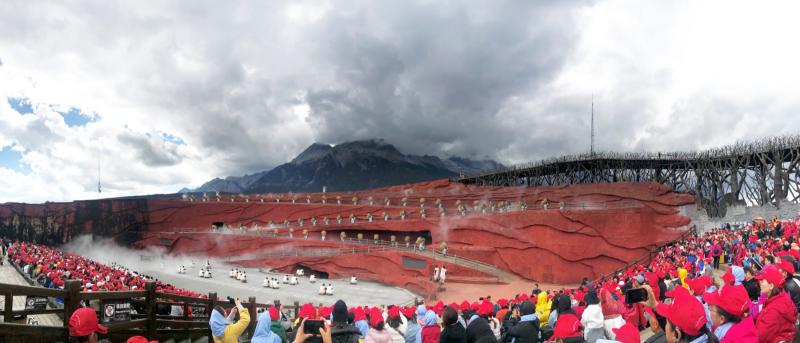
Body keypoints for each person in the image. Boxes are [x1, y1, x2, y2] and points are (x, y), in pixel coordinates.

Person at [755, 267, 797, 342]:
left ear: (771, 286)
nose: (760, 283)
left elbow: (760, 337)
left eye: (762, 281)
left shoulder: (773, 311)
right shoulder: (782, 297)